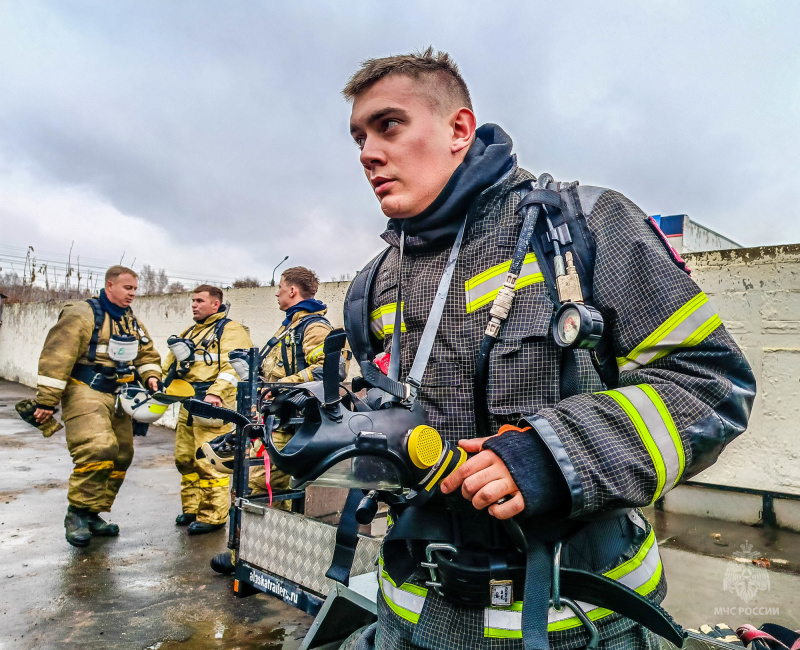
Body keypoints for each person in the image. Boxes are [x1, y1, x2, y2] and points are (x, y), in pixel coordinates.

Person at [342, 48, 756, 649]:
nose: (368, 154)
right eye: (358, 138)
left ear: (459, 128)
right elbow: (390, 414)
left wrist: (555, 455)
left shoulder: (587, 226)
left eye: (388, 125)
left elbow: (712, 385)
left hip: (579, 619)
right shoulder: (376, 280)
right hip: (410, 615)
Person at [210, 266, 334, 574]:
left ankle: (257, 560)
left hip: (292, 424)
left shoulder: (314, 327)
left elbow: (329, 372)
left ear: (293, 291)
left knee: (261, 491)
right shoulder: (289, 327)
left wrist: (279, 387)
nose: (277, 293)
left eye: (280, 287)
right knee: (252, 488)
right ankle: (250, 555)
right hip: (274, 419)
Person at [33, 265, 162, 548]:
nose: (133, 294)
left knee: (122, 453)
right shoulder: (81, 314)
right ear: (110, 285)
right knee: (98, 448)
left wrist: (152, 375)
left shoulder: (131, 321)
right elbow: (57, 356)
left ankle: (93, 512)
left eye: (135, 289)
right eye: (128, 288)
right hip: (84, 390)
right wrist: (46, 401)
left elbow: (147, 354)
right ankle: (76, 514)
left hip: (119, 396)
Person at [162, 285, 253, 535]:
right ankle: (192, 508)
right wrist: (159, 384)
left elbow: (234, 367)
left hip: (213, 405)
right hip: (188, 403)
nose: (194, 304)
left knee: (210, 462)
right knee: (185, 459)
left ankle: (213, 516)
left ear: (216, 304)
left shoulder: (229, 330)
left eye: (199, 300)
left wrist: (216, 392)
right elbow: (171, 363)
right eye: (192, 300)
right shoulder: (191, 331)